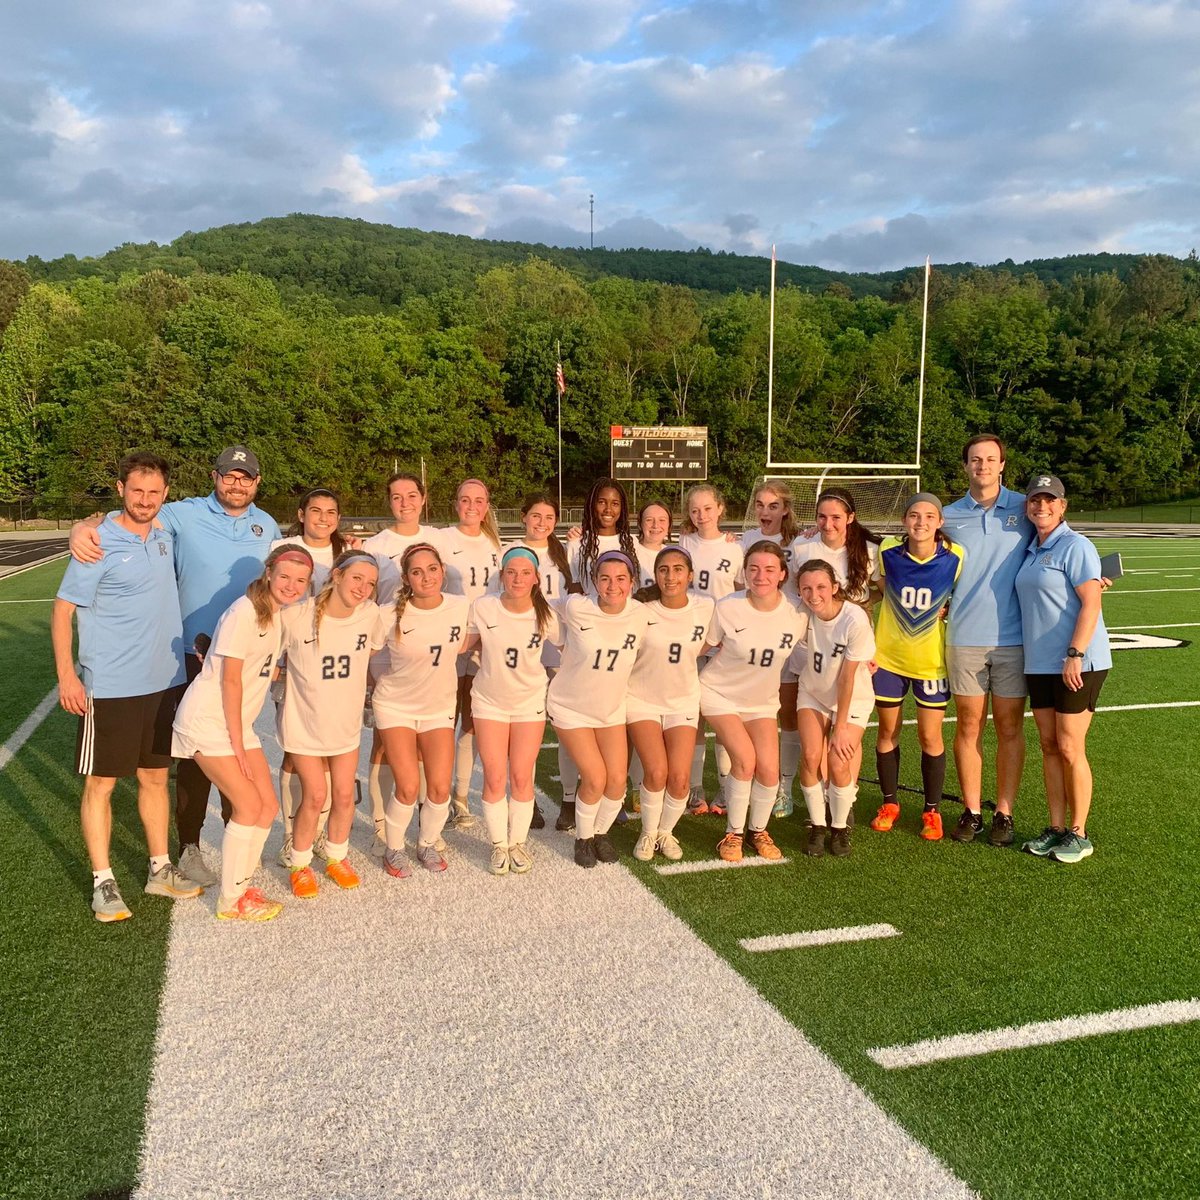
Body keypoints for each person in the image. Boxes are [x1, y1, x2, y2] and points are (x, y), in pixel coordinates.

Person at [68, 444, 282, 888]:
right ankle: (189, 845)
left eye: (245, 477)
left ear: (257, 482)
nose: (236, 484)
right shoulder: (184, 514)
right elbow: (129, 515)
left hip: (245, 659)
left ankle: (240, 835)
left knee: (238, 747)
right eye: (228, 475)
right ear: (214, 477)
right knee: (192, 756)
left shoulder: (268, 525)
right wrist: (81, 526)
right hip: (189, 655)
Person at [52, 452, 202, 922]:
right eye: (137, 490)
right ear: (120, 489)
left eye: (154, 492)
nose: (145, 500)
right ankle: (103, 880)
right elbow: (62, 610)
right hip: (112, 685)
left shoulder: (164, 534)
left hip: (163, 682)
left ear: (165, 494)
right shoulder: (97, 542)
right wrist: (67, 675)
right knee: (101, 783)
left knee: (155, 777)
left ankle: (160, 868)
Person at [171, 545, 315, 921]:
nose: (291, 585)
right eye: (284, 576)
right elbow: (231, 680)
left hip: (235, 723)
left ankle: (242, 884)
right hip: (209, 721)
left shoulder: (278, 615)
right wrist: (237, 741)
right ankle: (230, 901)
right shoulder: (244, 612)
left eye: (300, 580)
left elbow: (262, 669)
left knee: (267, 808)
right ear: (268, 574)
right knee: (248, 806)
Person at [1015, 474, 1111, 864]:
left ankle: (1079, 832)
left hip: (1078, 662)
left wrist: (1075, 653)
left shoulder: (1075, 545)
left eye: (1049, 500)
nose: (1042, 506)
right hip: (1040, 662)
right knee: (1049, 745)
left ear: (1063, 506)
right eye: (1035, 500)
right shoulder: (1030, 548)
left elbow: (1091, 602)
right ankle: (1055, 827)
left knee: (1070, 746)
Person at [943, 434, 1034, 847]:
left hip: (1014, 639)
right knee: (968, 725)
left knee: (1010, 726)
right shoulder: (947, 516)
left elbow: (1061, 541)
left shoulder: (1025, 507)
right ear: (965, 466)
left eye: (990, 459)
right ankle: (972, 810)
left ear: (1002, 465)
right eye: (975, 459)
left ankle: (1005, 813)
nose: (983, 465)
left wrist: (1093, 575)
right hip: (964, 637)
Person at [277, 551, 382, 898]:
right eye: (356, 578)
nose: (363, 588)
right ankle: (300, 863)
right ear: (336, 575)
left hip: (345, 724)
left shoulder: (370, 614)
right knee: (315, 795)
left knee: (344, 795)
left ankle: (336, 856)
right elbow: (266, 650)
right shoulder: (297, 616)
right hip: (304, 724)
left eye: (370, 583)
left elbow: (373, 650)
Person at [701, 541, 808, 863]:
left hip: (761, 702)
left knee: (770, 771)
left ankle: (757, 830)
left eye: (769, 569)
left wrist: (864, 659)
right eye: (754, 569)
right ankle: (733, 833)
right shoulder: (727, 606)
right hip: (719, 694)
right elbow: (700, 647)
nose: (761, 576)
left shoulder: (797, 612)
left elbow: (830, 631)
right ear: (745, 572)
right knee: (745, 761)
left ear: (782, 574)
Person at [370, 543, 471, 877]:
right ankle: (394, 849)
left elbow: (486, 634)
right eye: (417, 571)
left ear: (442, 570)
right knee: (409, 787)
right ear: (405, 578)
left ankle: (426, 842)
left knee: (440, 788)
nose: (426, 577)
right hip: (395, 705)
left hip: (438, 707)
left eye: (432, 569)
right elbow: (364, 652)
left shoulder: (460, 606)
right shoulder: (388, 613)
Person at [781, 487, 882, 817]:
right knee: (816, 733)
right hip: (815, 642)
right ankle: (824, 796)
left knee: (846, 735)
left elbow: (882, 592)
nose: (828, 524)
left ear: (850, 518)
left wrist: (859, 615)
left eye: (836, 517)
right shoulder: (803, 545)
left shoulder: (868, 550)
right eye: (822, 517)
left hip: (852, 643)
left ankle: (844, 797)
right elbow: (795, 593)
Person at [869, 494, 964, 842]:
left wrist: (949, 606)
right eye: (913, 515)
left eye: (928, 516)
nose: (920, 522)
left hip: (931, 663)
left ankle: (931, 811)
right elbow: (880, 585)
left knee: (930, 737)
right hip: (889, 659)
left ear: (940, 522)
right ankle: (889, 803)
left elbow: (965, 595)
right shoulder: (888, 550)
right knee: (887, 732)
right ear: (904, 520)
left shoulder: (955, 556)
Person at [548, 551, 649, 868]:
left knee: (617, 781)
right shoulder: (577, 606)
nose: (612, 585)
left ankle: (600, 833)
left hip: (611, 709)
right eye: (604, 578)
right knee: (594, 778)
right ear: (593, 581)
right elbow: (539, 607)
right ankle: (583, 838)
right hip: (570, 706)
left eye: (620, 578)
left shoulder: (641, 613)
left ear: (632, 582)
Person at [465, 547, 559, 875]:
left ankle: (517, 842)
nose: (518, 579)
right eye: (511, 572)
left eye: (525, 573)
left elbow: (572, 647)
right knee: (494, 776)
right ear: (502, 575)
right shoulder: (484, 606)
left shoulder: (547, 614)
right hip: (489, 701)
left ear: (536, 578)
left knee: (521, 776)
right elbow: (462, 644)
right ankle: (498, 845)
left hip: (528, 702)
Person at [361, 472, 438, 854]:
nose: (404, 502)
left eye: (411, 495)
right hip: (389, 650)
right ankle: (380, 824)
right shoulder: (376, 545)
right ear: (389, 502)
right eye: (396, 496)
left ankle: (423, 818)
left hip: (431, 652)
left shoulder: (439, 538)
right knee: (384, 741)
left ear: (423, 498)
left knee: (425, 741)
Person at [627, 548, 714, 862]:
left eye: (678, 569)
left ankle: (665, 832)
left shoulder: (705, 607)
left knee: (679, 779)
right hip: (642, 699)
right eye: (664, 569)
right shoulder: (641, 610)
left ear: (690, 575)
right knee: (656, 771)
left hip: (683, 700)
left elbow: (714, 640)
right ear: (655, 575)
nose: (671, 576)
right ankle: (648, 832)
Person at [789, 561, 876, 858]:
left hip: (853, 698)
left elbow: (847, 678)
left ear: (835, 587)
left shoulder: (854, 619)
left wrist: (840, 728)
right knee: (811, 757)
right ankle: (817, 825)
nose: (814, 595)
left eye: (821, 587)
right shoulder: (800, 614)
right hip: (813, 693)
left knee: (838, 762)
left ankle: (839, 827)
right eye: (806, 588)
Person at [438, 478, 503, 831]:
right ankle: (434, 797)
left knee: (472, 719)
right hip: (450, 639)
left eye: (479, 500)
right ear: (456, 503)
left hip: (482, 640)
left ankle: (460, 797)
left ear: (487, 505)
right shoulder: (442, 538)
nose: (472, 506)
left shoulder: (495, 543)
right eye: (465, 499)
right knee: (442, 720)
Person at [680, 484, 745, 816]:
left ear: (720, 508)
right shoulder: (684, 544)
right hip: (693, 639)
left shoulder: (736, 547)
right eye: (695, 510)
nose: (701, 515)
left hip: (726, 643)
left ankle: (724, 785)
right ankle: (695, 787)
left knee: (723, 716)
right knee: (694, 716)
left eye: (707, 508)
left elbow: (743, 593)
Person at [634, 500, 673, 588]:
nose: (655, 525)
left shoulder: (673, 555)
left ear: (669, 525)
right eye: (649, 520)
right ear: (640, 524)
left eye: (662, 520)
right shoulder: (631, 552)